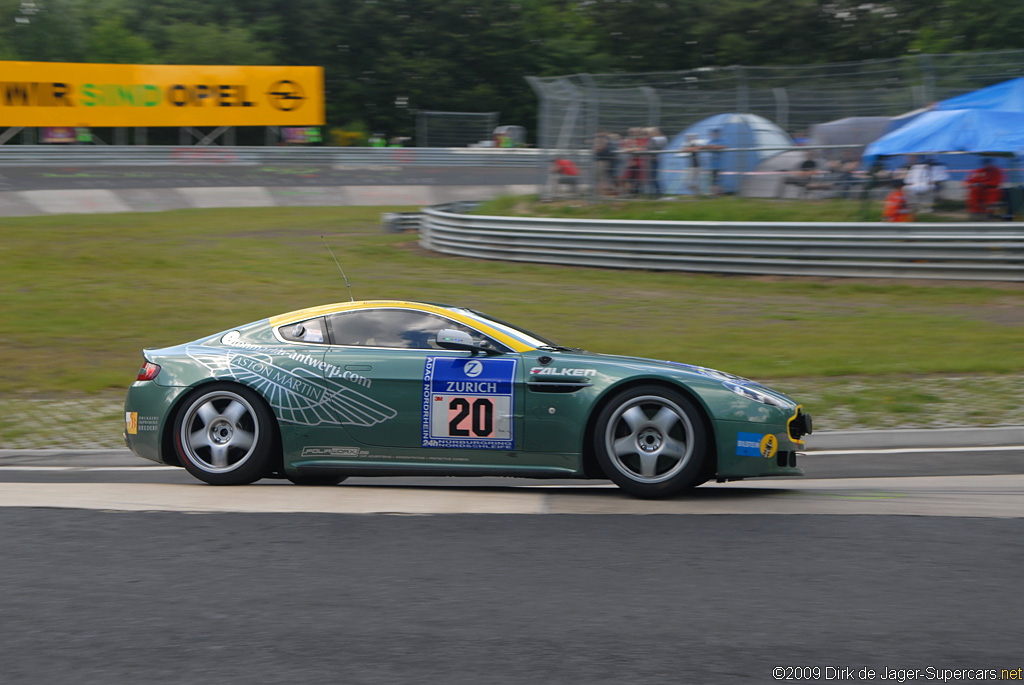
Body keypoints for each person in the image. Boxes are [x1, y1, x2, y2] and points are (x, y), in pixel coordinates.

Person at [646, 127, 667, 196]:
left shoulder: (658, 139)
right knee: (652, 177)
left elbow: (650, 148)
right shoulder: (661, 139)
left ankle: (658, 193)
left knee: (653, 177)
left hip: (655, 159)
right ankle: (656, 192)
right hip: (655, 159)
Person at [705, 128, 726, 196]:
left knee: (717, 180)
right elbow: (706, 147)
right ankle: (716, 193)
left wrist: (714, 147)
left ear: (717, 134)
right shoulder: (711, 141)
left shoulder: (722, 140)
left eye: (714, 133)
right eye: (712, 134)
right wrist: (713, 147)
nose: (713, 135)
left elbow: (723, 146)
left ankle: (716, 193)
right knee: (714, 179)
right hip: (712, 164)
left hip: (719, 164)